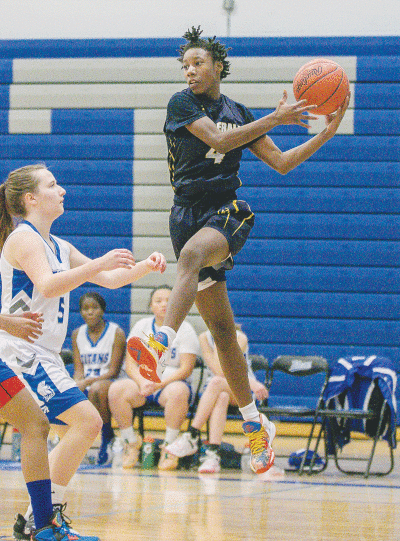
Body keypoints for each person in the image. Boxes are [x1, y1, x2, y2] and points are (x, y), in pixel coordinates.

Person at [126, 26, 350, 475]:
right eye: (185, 65)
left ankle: (160, 342)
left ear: (218, 67)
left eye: (198, 64)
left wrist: (326, 134)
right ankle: (255, 426)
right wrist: (276, 117)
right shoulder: (182, 103)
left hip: (227, 212)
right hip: (185, 214)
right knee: (223, 333)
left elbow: (282, 163)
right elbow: (220, 140)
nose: (190, 71)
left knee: (190, 257)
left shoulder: (239, 112)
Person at [0, 163, 166, 540]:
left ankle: (38, 517)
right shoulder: (24, 238)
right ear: (30, 199)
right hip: (18, 352)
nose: (62, 190)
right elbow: (48, 284)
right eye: (52, 185)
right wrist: (100, 262)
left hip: (45, 355)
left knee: (83, 425)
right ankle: (43, 519)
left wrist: (143, 268)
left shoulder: (59, 244)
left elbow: (107, 279)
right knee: (84, 422)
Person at [108, 285, 200, 471]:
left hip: (171, 383)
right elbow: (130, 364)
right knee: (116, 390)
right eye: (158, 301)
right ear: (151, 306)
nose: (164, 304)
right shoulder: (141, 326)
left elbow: (186, 368)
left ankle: (170, 447)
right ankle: (131, 443)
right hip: (143, 383)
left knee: (179, 392)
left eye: (169, 300)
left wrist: (158, 384)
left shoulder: (186, 328)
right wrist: (143, 382)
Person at [166, 324, 268, 473]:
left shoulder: (240, 338)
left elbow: (224, 370)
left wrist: (220, 339)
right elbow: (217, 370)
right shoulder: (204, 337)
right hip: (217, 389)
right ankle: (212, 456)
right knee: (221, 396)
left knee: (216, 383)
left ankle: (192, 434)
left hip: (241, 388)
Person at [72, 292, 126, 465]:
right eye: (85, 309)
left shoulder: (116, 332)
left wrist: (86, 382)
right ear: (80, 312)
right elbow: (78, 370)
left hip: (110, 382)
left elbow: (114, 371)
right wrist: (75, 384)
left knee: (96, 389)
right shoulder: (76, 334)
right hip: (88, 382)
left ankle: (106, 435)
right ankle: (69, 442)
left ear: (102, 310)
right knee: (69, 392)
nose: (90, 312)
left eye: (94, 308)